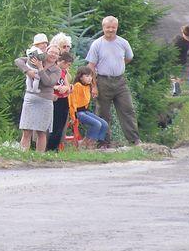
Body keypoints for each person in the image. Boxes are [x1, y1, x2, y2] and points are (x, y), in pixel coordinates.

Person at [85, 15, 140, 145]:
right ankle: (103, 142)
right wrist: (94, 86)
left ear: (117, 27)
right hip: (103, 81)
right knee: (102, 112)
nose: (110, 30)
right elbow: (90, 66)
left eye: (113, 27)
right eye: (108, 27)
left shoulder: (123, 43)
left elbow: (129, 58)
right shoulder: (97, 44)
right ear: (103, 28)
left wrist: (118, 66)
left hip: (120, 82)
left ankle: (134, 140)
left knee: (127, 110)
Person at [16, 44, 61, 151]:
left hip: (45, 101)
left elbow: (48, 82)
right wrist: (28, 71)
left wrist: (40, 68)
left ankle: (39, 156)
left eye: (56, 53)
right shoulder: (38, 58)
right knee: (26, 129)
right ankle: (23, 155)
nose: (53, 55)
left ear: (59, 57)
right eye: (51, 52)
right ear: (46, 51)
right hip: (30, 98)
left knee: (41, 131)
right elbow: (18, 61)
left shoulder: (57, 70)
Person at [68, 65, 109, 148]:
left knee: (104, 124)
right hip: (78, 112)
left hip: (85, 111)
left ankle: (95, 142)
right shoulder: (77, 86)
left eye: (91, 76)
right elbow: (72, 101)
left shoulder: (87, 86)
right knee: (97, 124)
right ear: (80, 77)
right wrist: (73, 116)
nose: (90, 78)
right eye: (87, 76)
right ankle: (86, 143)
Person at [46, 50, 73, 151]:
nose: (67, 66)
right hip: (55, 99)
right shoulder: (53, 70)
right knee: (55, 125)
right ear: (61, 62)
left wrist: (66, 88)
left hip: (63, 98)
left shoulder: (64, 72)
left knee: (61, 125)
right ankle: (50, 147)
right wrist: (57, 87)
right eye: (67, 64)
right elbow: (47, 83)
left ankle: (56, 146)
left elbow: (67, 85)